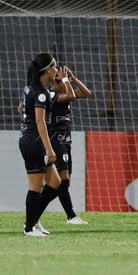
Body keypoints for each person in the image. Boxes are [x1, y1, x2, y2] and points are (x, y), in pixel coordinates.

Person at [18, 53, 66, 236]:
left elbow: (20, 108)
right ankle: (29, 228)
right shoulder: (41, 93)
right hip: (35, 142)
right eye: (54, 66)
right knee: (35, 186)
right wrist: (49, 147)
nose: (56, 68)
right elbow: (40, 121)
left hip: (29, 139)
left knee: (55, 182)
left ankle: (33, 220)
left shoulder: (30, 88)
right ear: (47, 71)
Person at [44, 66, 91, 225]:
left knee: (63, 183)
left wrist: (73, 78)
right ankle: (70, 216)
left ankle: (35, 211)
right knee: (61, 181)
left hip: (65, 141)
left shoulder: (64, 94)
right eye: (60, 80)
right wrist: (64, 80)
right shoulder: (52, 95)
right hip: (55, 141)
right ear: (54, 82)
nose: (65, 82)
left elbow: (86, 93)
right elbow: (72, 95)